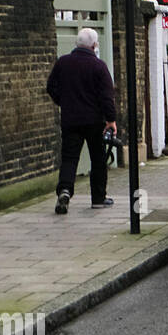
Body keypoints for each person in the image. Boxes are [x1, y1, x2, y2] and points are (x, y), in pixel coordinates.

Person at [46, 27, 117, 214]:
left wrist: (63, 101)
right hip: (95, 121)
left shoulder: (63, 63)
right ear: (94, 45)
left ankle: (65, 190)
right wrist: (111, 120)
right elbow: (106, 97)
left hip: (70, 120)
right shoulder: (99, 66)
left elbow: (51, 86)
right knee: (98, 159)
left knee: (69, 158)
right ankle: (98, 199)